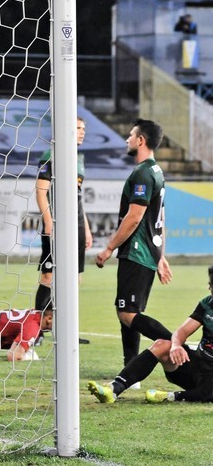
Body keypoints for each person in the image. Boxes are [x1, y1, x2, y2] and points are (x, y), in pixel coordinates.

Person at [95, 119, 173, 371]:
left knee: (128, 314)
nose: (127, 139)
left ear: (141, 140)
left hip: (137, 252)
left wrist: (109, 247)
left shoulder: (142, 173)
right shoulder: (156, 172)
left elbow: (135, 217)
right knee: (126, 313)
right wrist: (161, 256)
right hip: (147, 252)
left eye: (130, 135)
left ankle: (177, 344)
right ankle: (131, 367)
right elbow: (159, 219)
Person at [88, 265, 213, 404]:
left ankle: (171, 396)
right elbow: (181, 332)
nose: (209, 289)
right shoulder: (207, 304)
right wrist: (176, 345)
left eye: (211, 286)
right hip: (197, 368)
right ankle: (113, 389)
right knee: (162, 345)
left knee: (208, 393)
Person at [33, 117, 92, 344]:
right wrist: (49, 221)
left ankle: (68, 330)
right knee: (49, 275)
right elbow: (41, 192)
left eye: (83, 128)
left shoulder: (78, 159)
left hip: (75, 224)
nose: (82, 132)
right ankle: (36, 331)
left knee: (74, 278)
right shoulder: (51, 155)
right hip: (57, 223)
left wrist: (85, 228)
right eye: (78, 128)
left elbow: (78, 198)